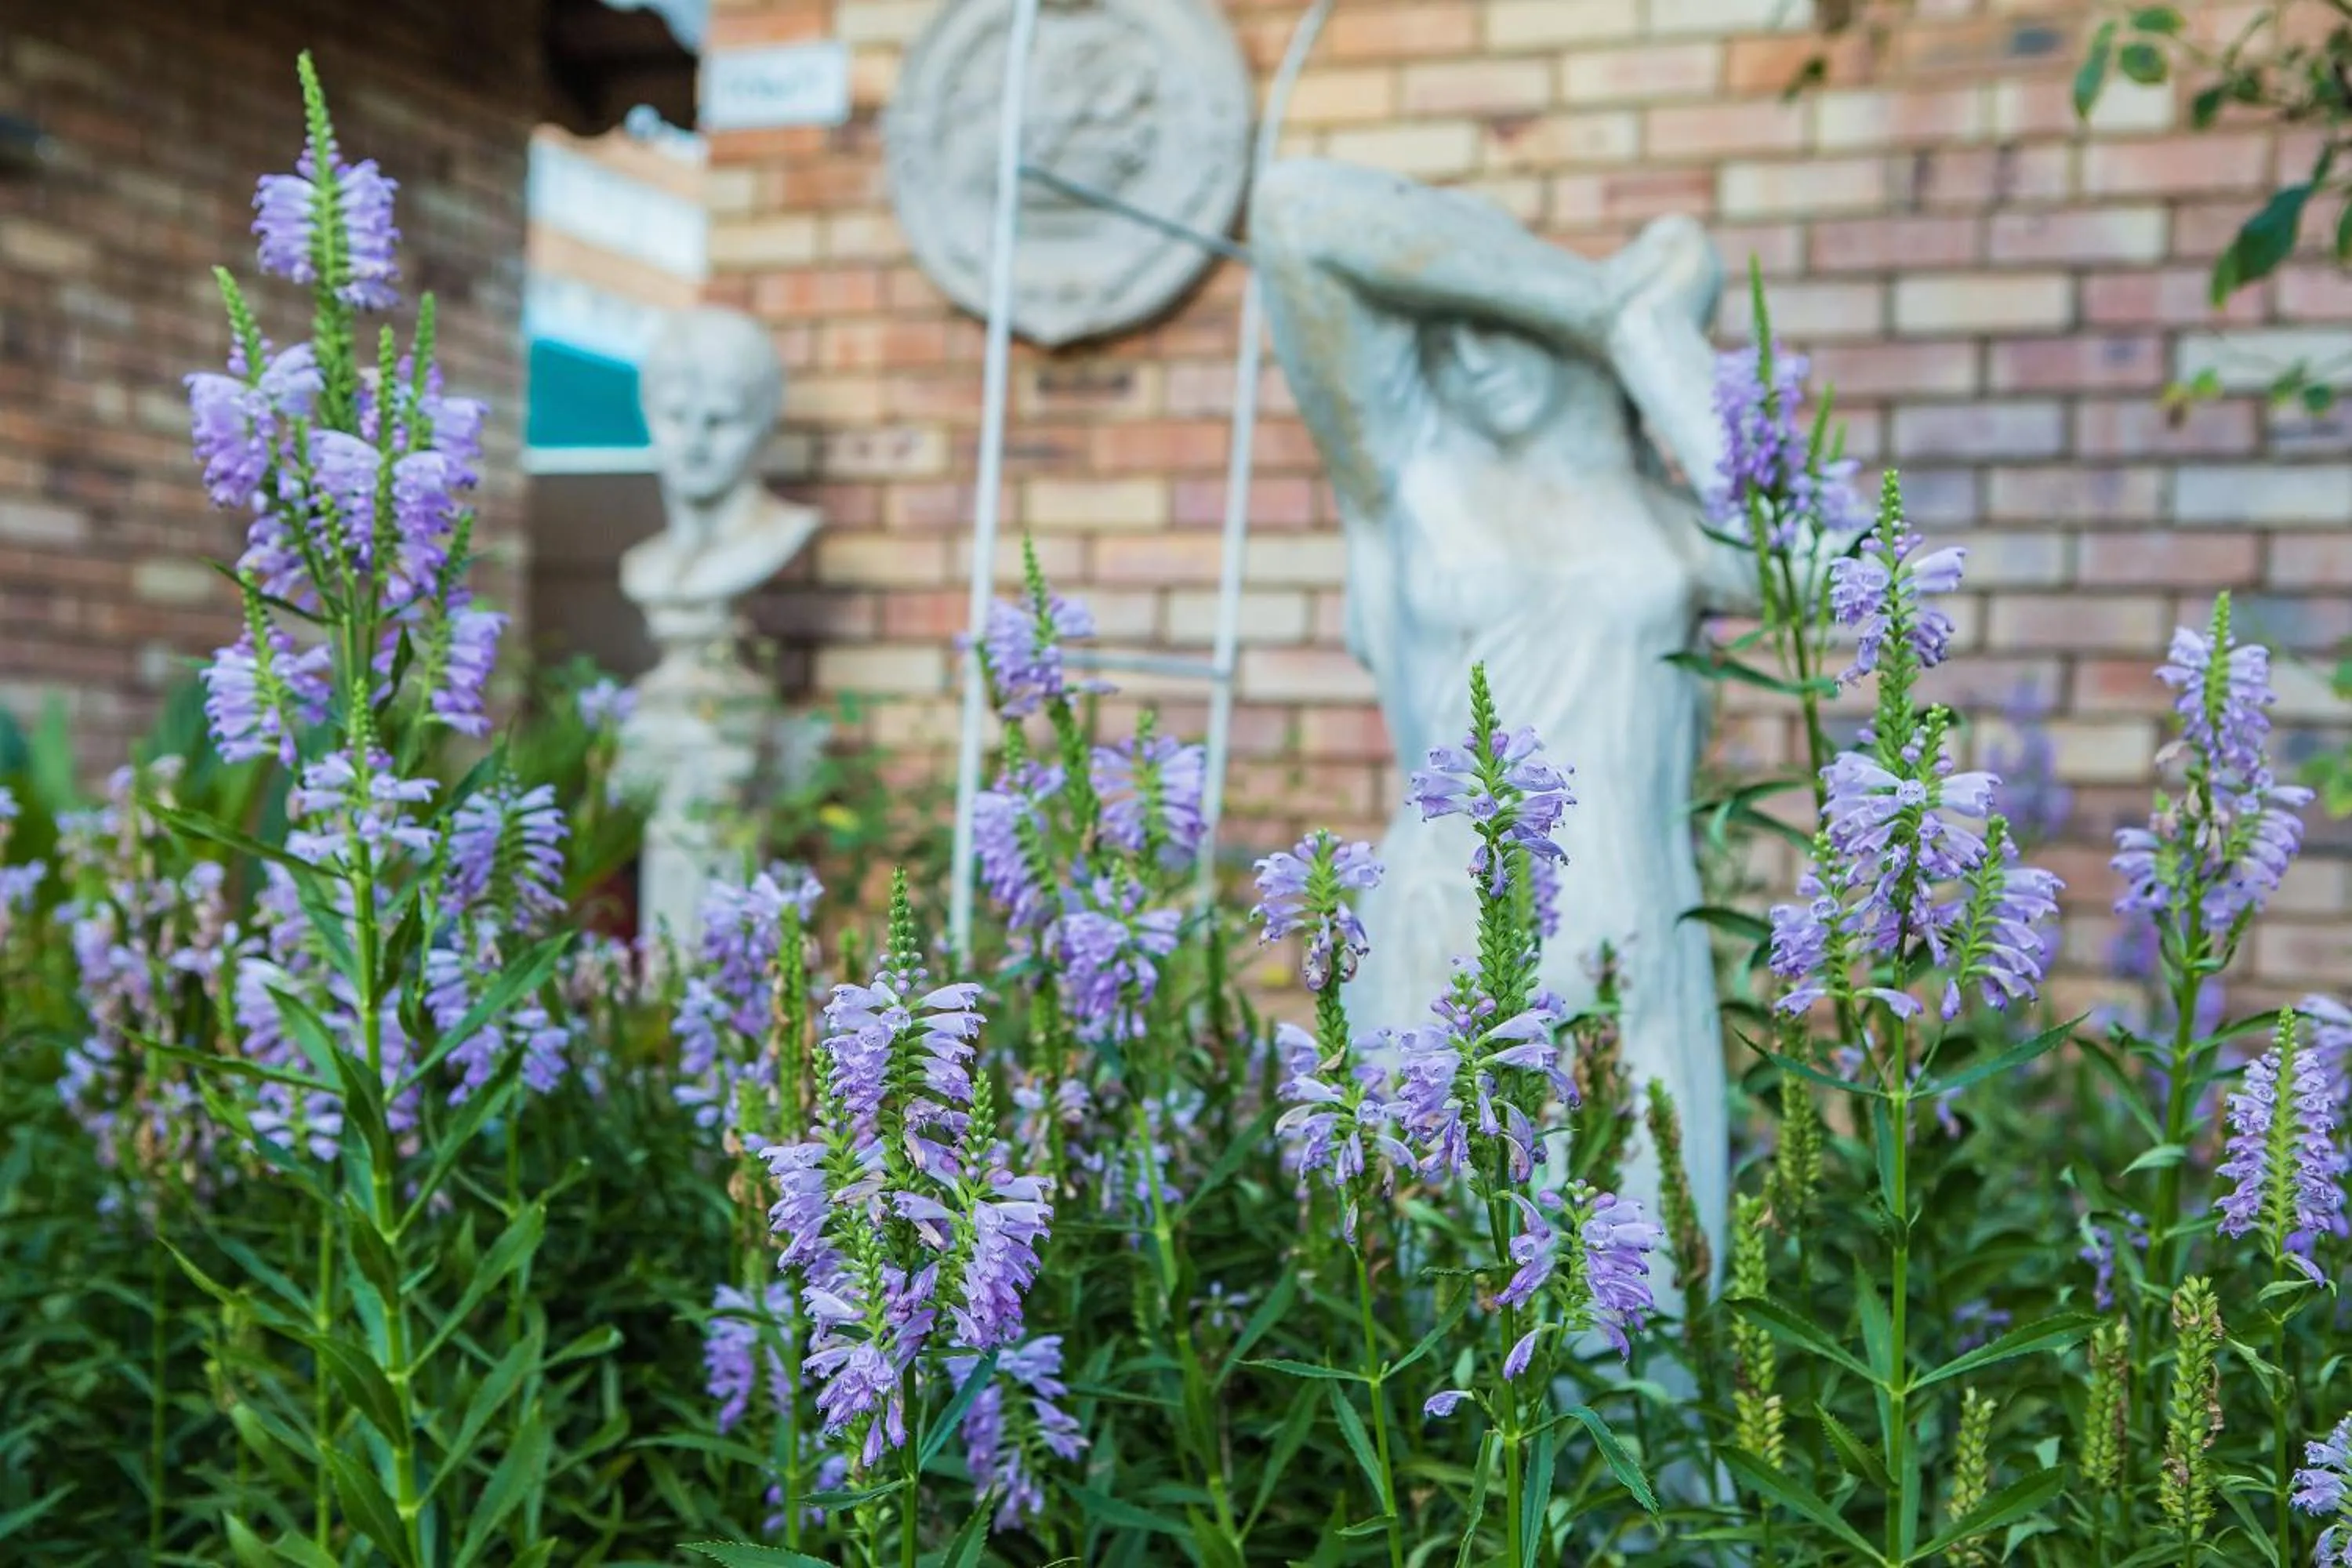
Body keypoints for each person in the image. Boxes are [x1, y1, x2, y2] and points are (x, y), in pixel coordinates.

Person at [1251, 159, 1753, 1283]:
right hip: (1450, 958)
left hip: (1640, 962)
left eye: (1501, 322)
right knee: (1456, 1343)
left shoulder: (1664, 528)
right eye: (1451, 325)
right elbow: (1298, 211)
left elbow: (1831, 578)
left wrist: (1653, 336)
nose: (1476, 354)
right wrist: (1582, 295)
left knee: (1658, 1345)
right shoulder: (1414, 486)